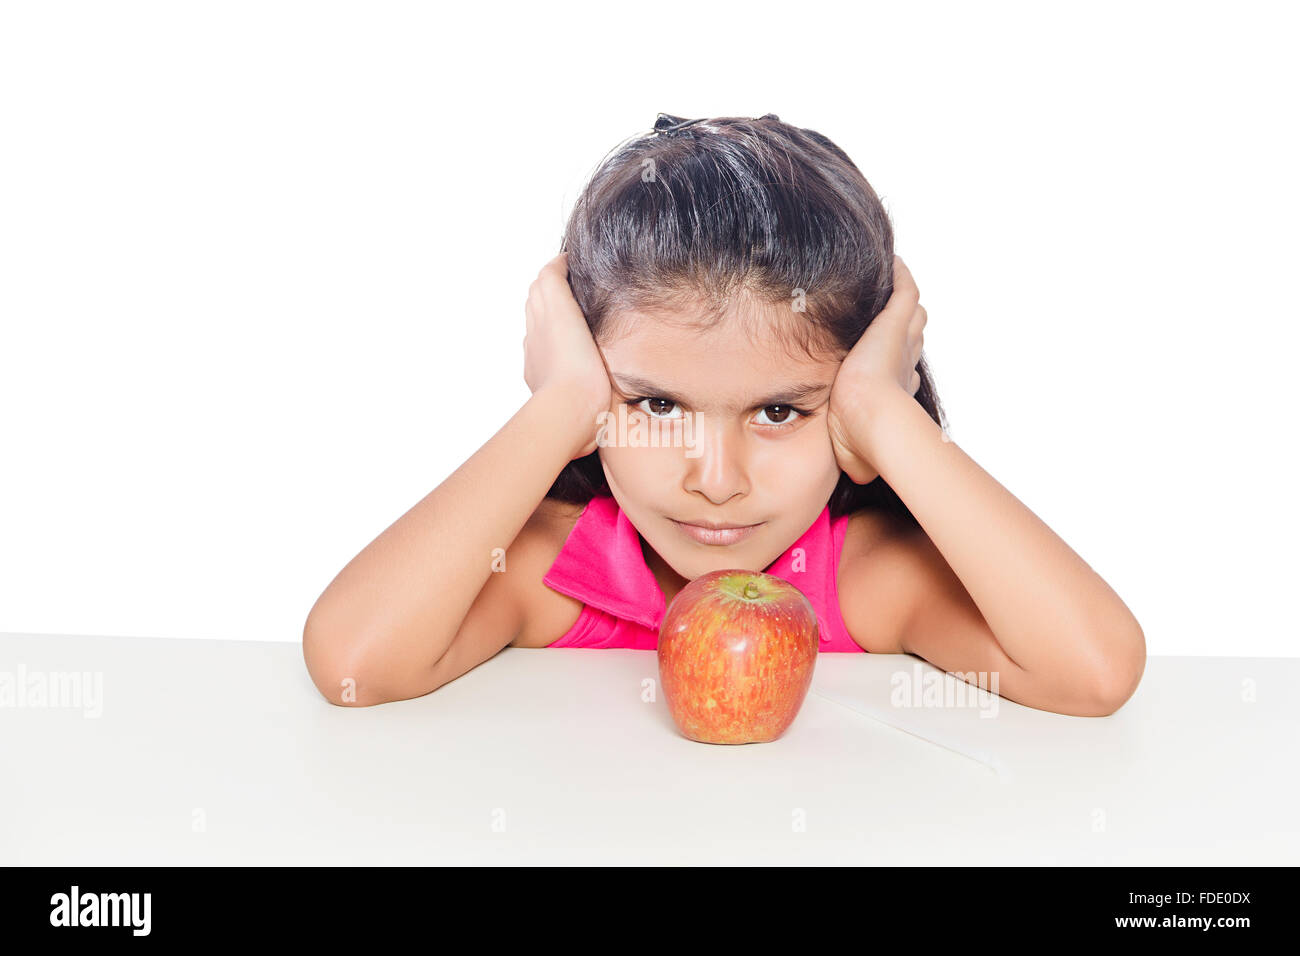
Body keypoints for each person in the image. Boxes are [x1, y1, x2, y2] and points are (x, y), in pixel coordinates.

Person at [303, 113, 1145, 717]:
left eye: (780, 410)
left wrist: (885, 416)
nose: (718, 481)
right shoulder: (561, 573)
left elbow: (1094, 674)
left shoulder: (856, 582)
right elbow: (356, 664)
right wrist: (560, 407)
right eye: (658, 404)